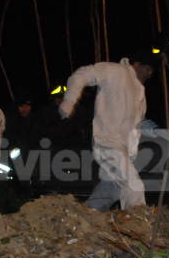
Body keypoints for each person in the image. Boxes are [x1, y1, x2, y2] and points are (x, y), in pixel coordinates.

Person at [59, 54, 155, 211]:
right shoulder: (115, 71)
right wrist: (69, 101)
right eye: (146, 69)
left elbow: (135, 128)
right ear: (136, 64)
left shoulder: (140, 93)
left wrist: (132, 153)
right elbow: (81, 75)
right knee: (133, 184)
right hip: (107, 142)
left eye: (151, 72)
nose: (148, 74)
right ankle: (138, 222)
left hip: (123, 149)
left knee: (109, 191)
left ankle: (88, 215)